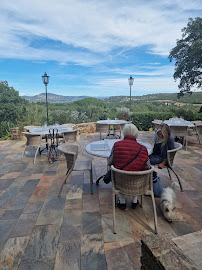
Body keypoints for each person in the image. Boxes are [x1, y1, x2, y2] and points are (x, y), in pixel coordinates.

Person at [108, 123, 151, 210]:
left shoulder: (117, 145)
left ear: (124, 133)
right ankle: (134, 200)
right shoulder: (143, 149)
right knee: (137, 169)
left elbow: (110, 162)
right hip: (138, 184)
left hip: (120, 182)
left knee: (116, 170)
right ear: (136, 134)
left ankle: (122, 201)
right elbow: (148, 166)